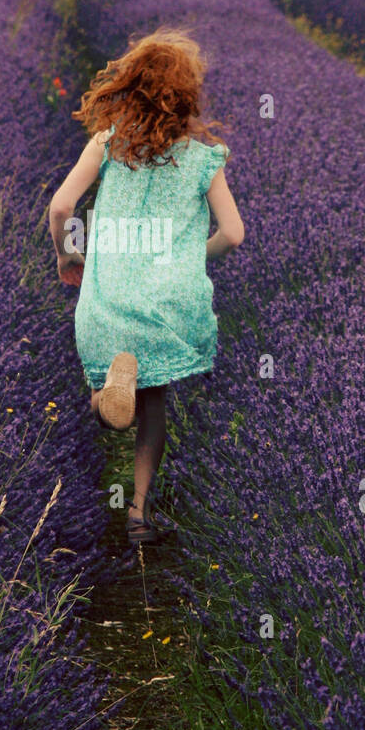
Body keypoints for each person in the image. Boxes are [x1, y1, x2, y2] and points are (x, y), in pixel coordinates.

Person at [48, 27, 244, 544]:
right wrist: (188, 257)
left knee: (115, 403)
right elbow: (235, 234)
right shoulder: (205, 158)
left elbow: (61, 207)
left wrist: (67, 252)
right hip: (168, 304)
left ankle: (108, 401)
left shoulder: (108, 144)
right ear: (187, 96)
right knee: (154, 406)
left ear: (129, 85)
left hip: (110, 296)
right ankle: (138, 514)